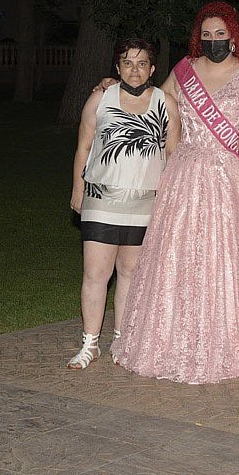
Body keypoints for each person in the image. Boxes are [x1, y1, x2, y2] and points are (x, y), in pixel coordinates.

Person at [110, 2, 239, 383]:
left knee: (233, 263)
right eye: (206, 35)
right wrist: (114, 88)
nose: (213, 40)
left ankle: (233, 344)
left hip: (235, 183)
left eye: (220, 34)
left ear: (234, 36)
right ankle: (173, 341)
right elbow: (150, 104)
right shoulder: (184, 72)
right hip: (185, 181)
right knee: (179, 261)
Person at [67, 39, 179, 369]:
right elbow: (83, 147)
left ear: (152, 69)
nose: (134, 70)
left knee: (130, 273)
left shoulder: (165, 103)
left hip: (145, 203)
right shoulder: (100, 98)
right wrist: (77, 189)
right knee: (95, 274)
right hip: (102, 199)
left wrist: (171, 201)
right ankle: (90, 344)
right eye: (127, 63)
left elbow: (174, 155)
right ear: (117, 67)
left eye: (141, 63)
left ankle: (122, 341)